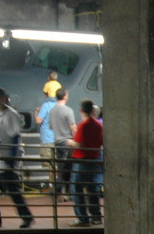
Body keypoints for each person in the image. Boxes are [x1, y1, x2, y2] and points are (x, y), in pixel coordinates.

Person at [0, 87, 34, 228]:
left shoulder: (11, 115)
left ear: (3, 98)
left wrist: (11, 160)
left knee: (12, 189)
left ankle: (26, 216)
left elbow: (15, 137)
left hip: (5, 158)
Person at [67, 98, 103, 226]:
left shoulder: (83, 125)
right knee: (92, 189)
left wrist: (70, 142)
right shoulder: (98, 125)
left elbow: (80, 144)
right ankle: (96, 216)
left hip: (82, 161)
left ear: (81, 110)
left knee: (76, 189)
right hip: (95, 160)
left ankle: (82, 218)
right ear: (93, 110)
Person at [48, 88, 77, 200]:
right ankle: (57, 190)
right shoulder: (68, 110)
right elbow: (73, 127)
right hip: (67, 142)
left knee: (61, 167)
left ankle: (65, 192)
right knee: (67, 169)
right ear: (65, 96)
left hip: (57, 142)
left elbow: (51, 126)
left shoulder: (52, 110)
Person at [34, 86, 59, 192]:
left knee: (51, 165)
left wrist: (36, 112)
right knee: (57, 164)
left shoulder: (46, 105)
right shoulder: (59, 105)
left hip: (48, 138)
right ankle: (59, 186)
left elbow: (38, 121)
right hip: (58, 138)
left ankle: (53, 188)